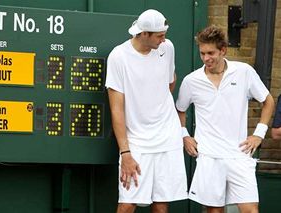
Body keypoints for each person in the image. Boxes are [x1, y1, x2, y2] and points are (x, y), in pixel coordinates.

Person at [176, 25, 275, 213]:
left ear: (223, 50)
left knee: (250, 209)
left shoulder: (244, 71)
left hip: (240, 154)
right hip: (209, 156)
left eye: (211, 53)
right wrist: (184, 135)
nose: (206, 58)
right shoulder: (191, 81)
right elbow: (180, 109)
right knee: (214, 211)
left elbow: (268, 101)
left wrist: (259, 134)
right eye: (202, 53)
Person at [105, 9, 188, 213]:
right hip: (137, 142)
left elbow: (170, 82)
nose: (164, 39)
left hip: (167, 136)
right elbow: (116, 109)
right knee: (127, 204)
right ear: (143, 34)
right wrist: (125, 153)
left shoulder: (167, 48)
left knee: (161, 205)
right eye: (159, 35)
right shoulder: (118, 56)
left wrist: (156, 106)